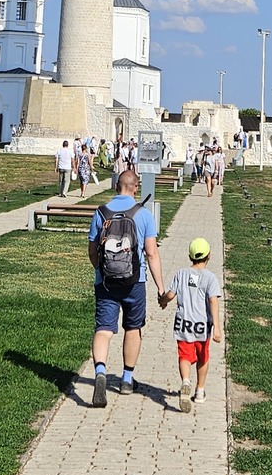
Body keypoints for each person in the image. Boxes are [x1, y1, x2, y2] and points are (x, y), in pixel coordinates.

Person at [86, 168, 167, 407]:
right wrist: (161, 288)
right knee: (133, 328)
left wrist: (99, 270)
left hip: (106, 281)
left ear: (116, 187)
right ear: (135, 188)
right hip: (135, 281)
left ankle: (100, 371)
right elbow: (151, 253)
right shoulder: (143, 214)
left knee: (103, 329)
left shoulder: (100, 213)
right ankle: (126, 379)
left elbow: (92, 250)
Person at [168, 236, 223, 412]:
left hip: (183, 323)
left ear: (190, 256)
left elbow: (170, 294)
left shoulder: (181, 273)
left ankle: (185, 381)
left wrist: (162, 300)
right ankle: (200, 391)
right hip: (202, 325)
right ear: (209, 256)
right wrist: (217, 327)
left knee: (184, 356)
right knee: (202, 357)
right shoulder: (210, 278)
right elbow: (213, 301)